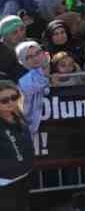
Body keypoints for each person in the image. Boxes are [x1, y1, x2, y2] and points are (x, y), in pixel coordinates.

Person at [0, 80, 32, 211]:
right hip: (4, 183)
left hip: (23, 177)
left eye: (14, 97)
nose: (10, 102)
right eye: (4, 100)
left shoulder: (19, 117)